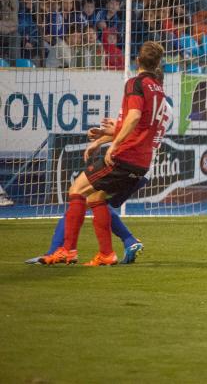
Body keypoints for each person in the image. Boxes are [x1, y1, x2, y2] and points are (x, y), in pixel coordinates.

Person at [42, 42, 169, 266]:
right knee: (96, 198)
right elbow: (142, 125)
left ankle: (67, 250)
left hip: (125, 155)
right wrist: (105, 136)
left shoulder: (135, 83)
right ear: (158, 63)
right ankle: (107, 254)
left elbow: (134, 118)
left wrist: (112, 144)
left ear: (137, 60)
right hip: (143, 160)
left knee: (76, 190)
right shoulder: (159, 91)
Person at [26, 115, 159, 265]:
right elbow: (136, 133)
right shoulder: (161, 104)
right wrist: (101, 139)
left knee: (80, 196)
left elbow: (134, 133)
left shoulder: (141, 99)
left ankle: (59, 251)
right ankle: (127, 242)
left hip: (129, 162)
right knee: (94, 200)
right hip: (143, 167)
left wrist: (103, 137)